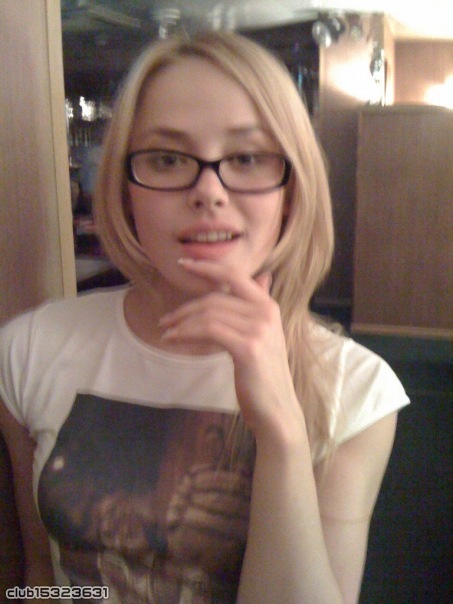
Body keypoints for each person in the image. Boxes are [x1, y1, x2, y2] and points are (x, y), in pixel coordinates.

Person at [0, 31, 409, 604]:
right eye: (167, 159)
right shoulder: (29, 349)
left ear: (291, 192)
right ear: (125, 189)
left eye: (246, 158)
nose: (208, 192)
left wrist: (282, 430)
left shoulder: (358, 391)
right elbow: (39, 574)